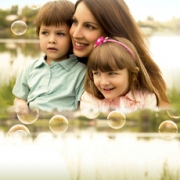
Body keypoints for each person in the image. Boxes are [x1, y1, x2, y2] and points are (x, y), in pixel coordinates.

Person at [70, 0, 170, 109]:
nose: (75, 34)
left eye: (90, 26)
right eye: (74, 21)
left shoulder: (146, 92)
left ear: (111, 31)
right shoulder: (63, 63)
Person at [12, 0, 86, 113]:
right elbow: (20, 98)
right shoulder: (31, 68)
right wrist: (22, 110)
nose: (51, 40)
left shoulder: (81, 71)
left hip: (63, 125)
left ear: (73, 36)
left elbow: (83, 108)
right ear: (38, 34)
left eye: (60, 34)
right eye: (45, 33)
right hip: (33, 125)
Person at [80, 36, 159, 113]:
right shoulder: (90, 98)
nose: (103, 82)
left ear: (133, 74)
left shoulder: (146, 97)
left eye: (111, 73)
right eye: (96, 73)